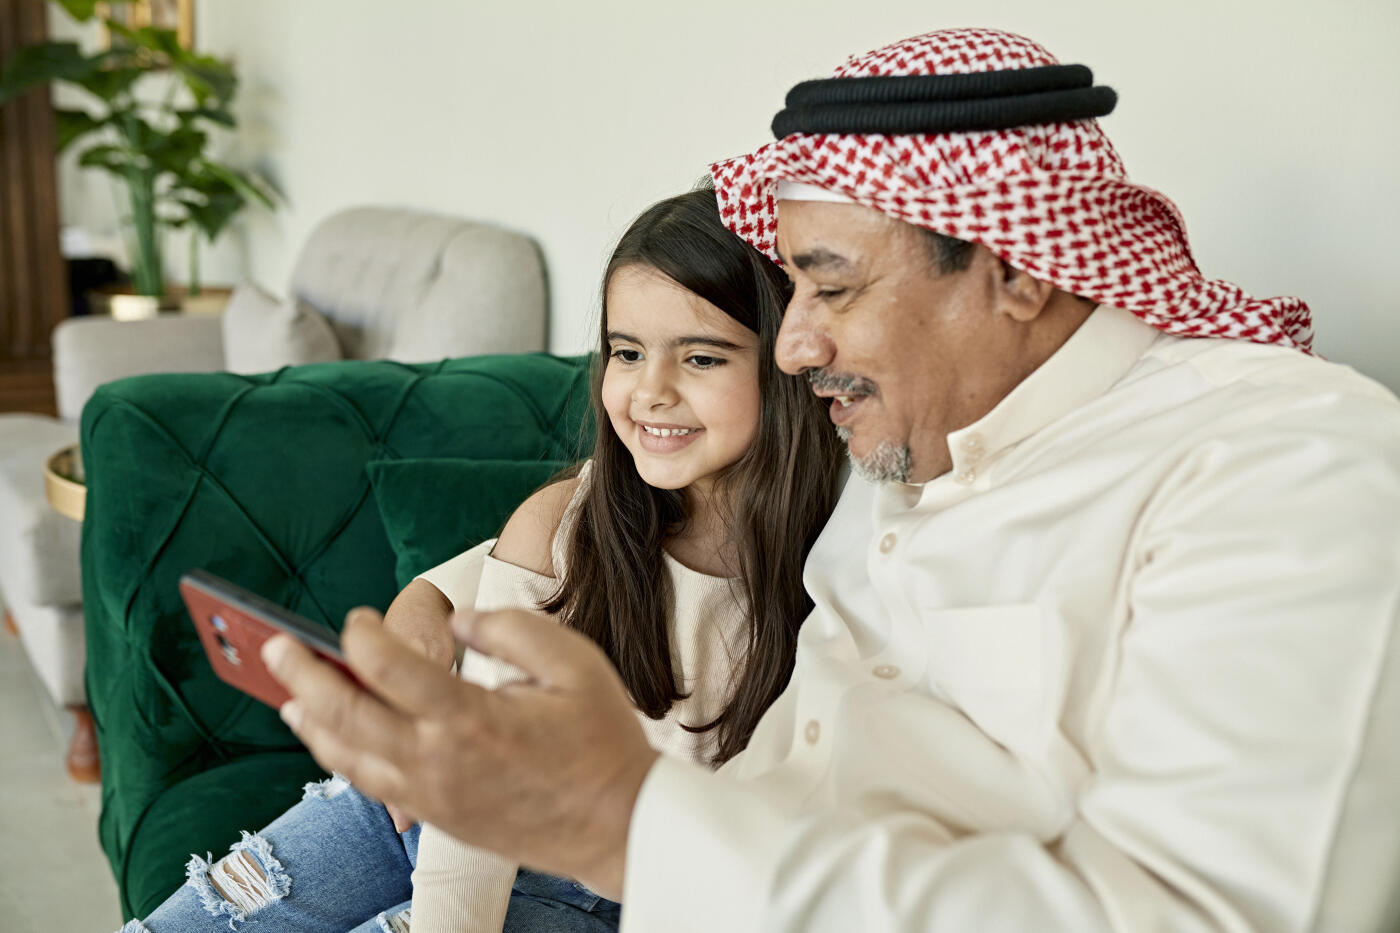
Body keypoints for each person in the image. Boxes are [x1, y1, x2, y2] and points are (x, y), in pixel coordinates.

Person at [264, 27, 1400, 933]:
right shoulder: (899, 434)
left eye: (830, 288)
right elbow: (638, 494)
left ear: (1011, 271)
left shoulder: (1277, 466)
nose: (793, 347)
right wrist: (434, 598)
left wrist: (624, 822)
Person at [116, 186, 841, 933]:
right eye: (626, 352)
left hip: (602, 890)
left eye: (700, 356)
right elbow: (474, 812)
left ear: (784, 360)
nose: (650, 391)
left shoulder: (843, 563)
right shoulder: (564, 524)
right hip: (442, 810)